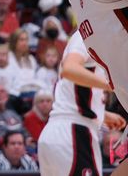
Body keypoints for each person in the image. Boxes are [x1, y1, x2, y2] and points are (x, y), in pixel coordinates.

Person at [37, 29, 127, 176]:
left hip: (60, 130)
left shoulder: (98, 42)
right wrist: (114, 85)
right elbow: (69, 69)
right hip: (73, 133)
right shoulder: (88, 34)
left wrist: (101, 115)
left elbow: (70, 88)